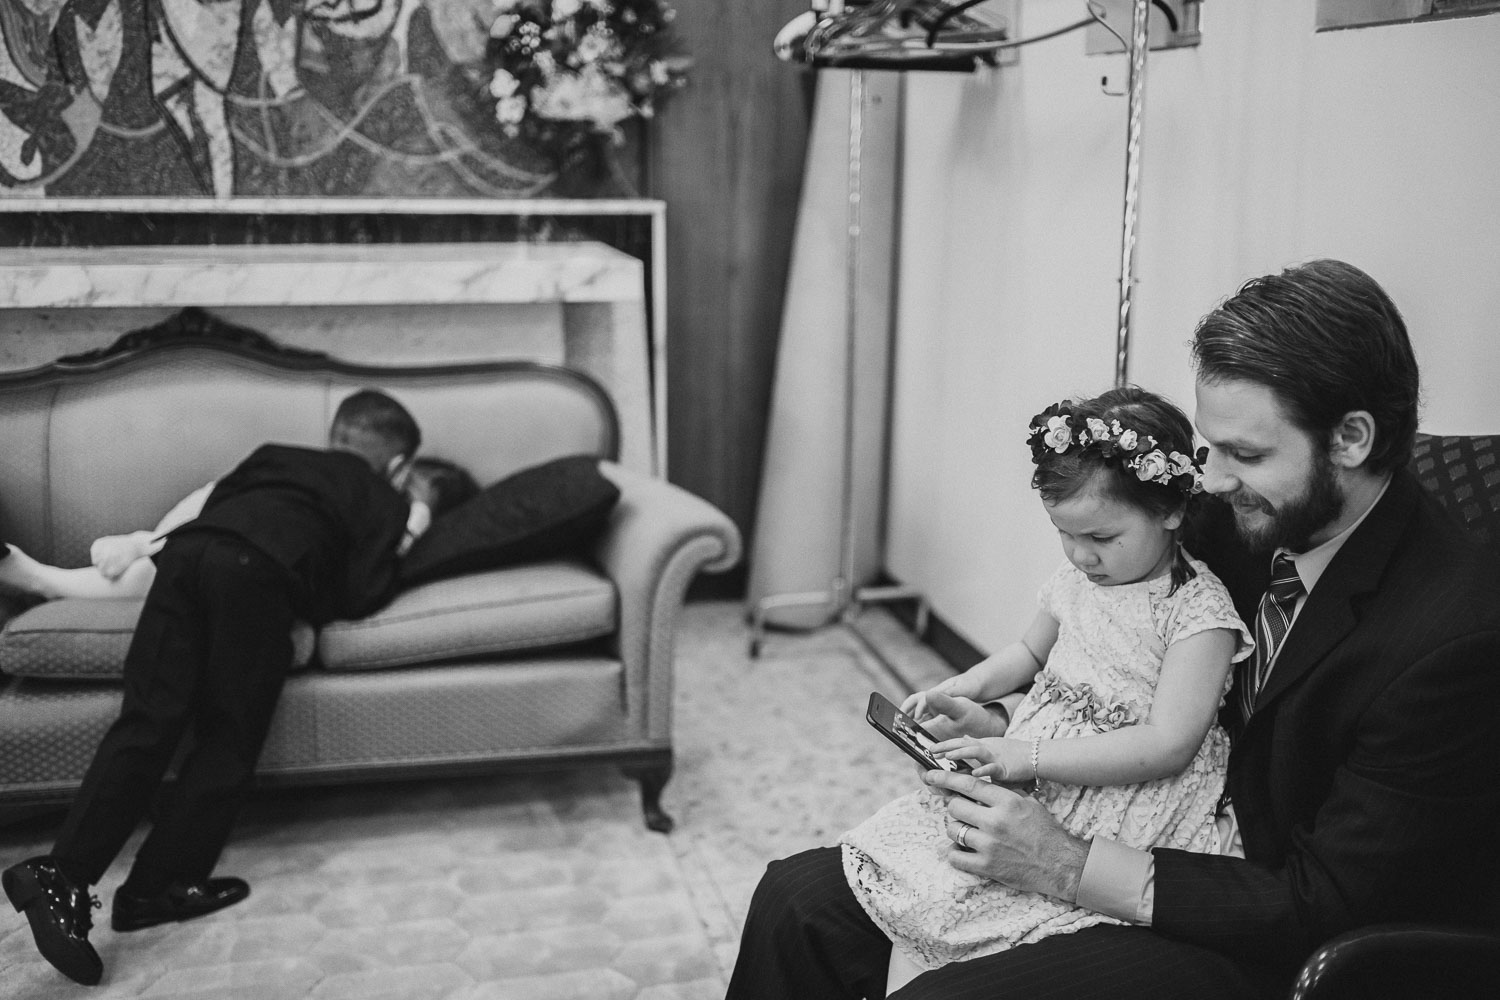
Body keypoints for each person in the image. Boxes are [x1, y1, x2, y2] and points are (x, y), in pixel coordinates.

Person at [725, 259, 1500, 999]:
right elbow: (1126, 651)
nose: (1214, 481)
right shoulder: (1244, 514)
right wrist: (1011, 724)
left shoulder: (1453, 637)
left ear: (1352, 439)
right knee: (794, 902)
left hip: (1251, 920)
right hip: (1124, 811)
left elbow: (1321, 900)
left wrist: (1066, 864)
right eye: (1210, 447)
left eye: (1247, 453)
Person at [2, 389, 426, 987]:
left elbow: (211, 511)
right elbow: (361, 593)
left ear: (338, 434)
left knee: (147, 721)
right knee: (227, 735)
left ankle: (61, 877)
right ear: (399, 463)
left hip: (185, 558)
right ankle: (158, 887)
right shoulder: (383, 496)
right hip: (256, 576)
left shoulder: (271, 454)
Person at [841, 387, 1251, 993]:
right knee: (931, 903)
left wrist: (1025, 754)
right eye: (1065, 533)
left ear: (1170, 511)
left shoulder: (1197, 613)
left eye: (1103, 539)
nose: (1082, 555)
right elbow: (1030, 653)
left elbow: (1169, 743)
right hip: (1041, 777)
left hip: (1121, 802)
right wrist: (963, 687)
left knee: (1003, 926)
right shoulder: (1076, 580)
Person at [0, 455, 478, 604]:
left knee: (176, 565)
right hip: (233, 514)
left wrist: (418, 516)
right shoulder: (351, 480)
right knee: (209, 524)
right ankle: (147, 543)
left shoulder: (400, 521)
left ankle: (52, 580)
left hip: (262, 550)